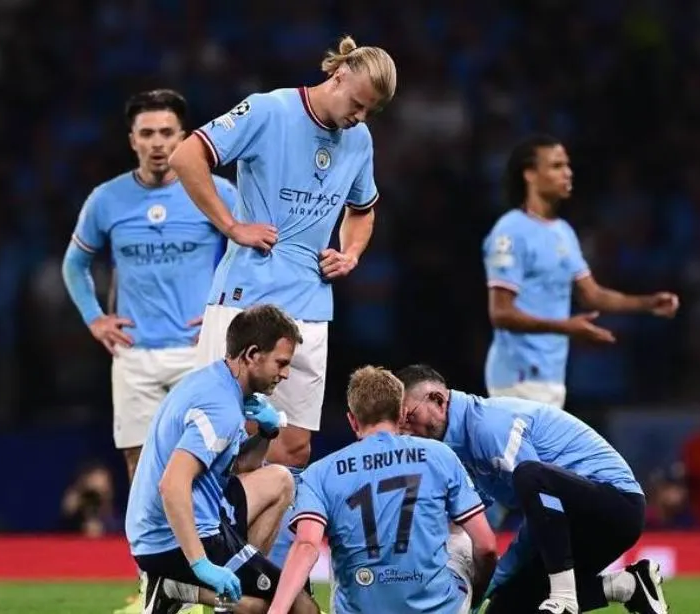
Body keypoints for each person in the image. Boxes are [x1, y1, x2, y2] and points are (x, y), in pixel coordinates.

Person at [169, 35, 397, 478]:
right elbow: (187, 156)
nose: (360, 117)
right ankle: (206, 541)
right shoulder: (268, 110)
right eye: (358, 104)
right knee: (222, 437)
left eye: (370, 112)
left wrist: (350, 253)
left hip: (311, 304)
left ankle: (257, 546)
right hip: (247, 297)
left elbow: (362, 210)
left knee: (293, 449)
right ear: (339, 74)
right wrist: (232, 226)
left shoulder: (359, 140)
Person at [62, 89, 237, 484]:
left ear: (182, 137)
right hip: (134, 355)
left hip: (199, 353)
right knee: (139, 468)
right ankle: (152, 548)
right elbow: (75, 264)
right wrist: (94, 318)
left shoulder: (217, 192)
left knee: (209, 465)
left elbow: (252, 256)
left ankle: (203, 546)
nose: (157, 143)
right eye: (147, 133)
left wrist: (227, 317)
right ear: (133, 140)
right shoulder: (106, 199)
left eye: (166, 132)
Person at [396, 364, 668, 614]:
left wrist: (496, 575)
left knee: (530, 474)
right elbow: (481, 523)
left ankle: (564, 597)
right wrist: (476, 592)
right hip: (566, 521)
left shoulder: (489, 427)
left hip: (618, 506)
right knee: (505, 608)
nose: (405, 430)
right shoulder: (458, 451)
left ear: (438, 400)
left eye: (409, 416)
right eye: (399, 423)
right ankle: (629, 585)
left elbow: (538, 496)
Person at [125, 304, 319, 614]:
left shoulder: (216, 382)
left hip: (171, 522)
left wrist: (267, 433)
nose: (285, 374)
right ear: (252, 354)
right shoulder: (222, 409)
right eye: (281, 363)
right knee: (296, 605)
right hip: (169, 540)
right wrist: (201, 564)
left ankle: (222, 580)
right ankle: (177, 586)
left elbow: (243, 468)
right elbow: (172, 486)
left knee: (280, 480)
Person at [268, 366, 497, 614]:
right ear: (401, 414)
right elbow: (486, 546)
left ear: (352, 420)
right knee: (458, 535)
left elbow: (306, 547)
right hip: (440, 608)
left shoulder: (320, 472)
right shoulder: (440, 455)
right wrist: (476, 596)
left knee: (342, 554)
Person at [483, 134, 679, 408]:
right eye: (556, 166)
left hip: (553, 379)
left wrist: (646, 303)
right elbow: (501, 313)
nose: (567, 173)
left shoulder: (563, 232)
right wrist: (566, 327)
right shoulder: (511, 232)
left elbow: (592, 295)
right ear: (529, 175)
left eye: (567, 165)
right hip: (518, 376)